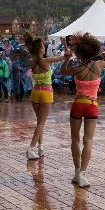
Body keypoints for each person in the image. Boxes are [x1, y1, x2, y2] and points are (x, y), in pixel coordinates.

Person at [59, 33, 105, 188]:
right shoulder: (99, 65)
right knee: (88, 140)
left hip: (78, 104)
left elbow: (63, 71)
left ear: (80, 52)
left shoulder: (77, 68)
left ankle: (76, 172)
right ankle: (82, 174)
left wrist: (67, 58)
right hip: (92, 106)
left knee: (75, 139)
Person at [23, 32, 68, 160]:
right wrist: (64, 44)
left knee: (39, 122)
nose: (44, 47)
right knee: (41, 123)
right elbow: (66, 56)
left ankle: (40, 147)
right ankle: (31, 148)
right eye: (43, 46)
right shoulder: (47, 60)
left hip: (35, 92)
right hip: (46, 93)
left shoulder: (31, 62)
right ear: (40, 49)